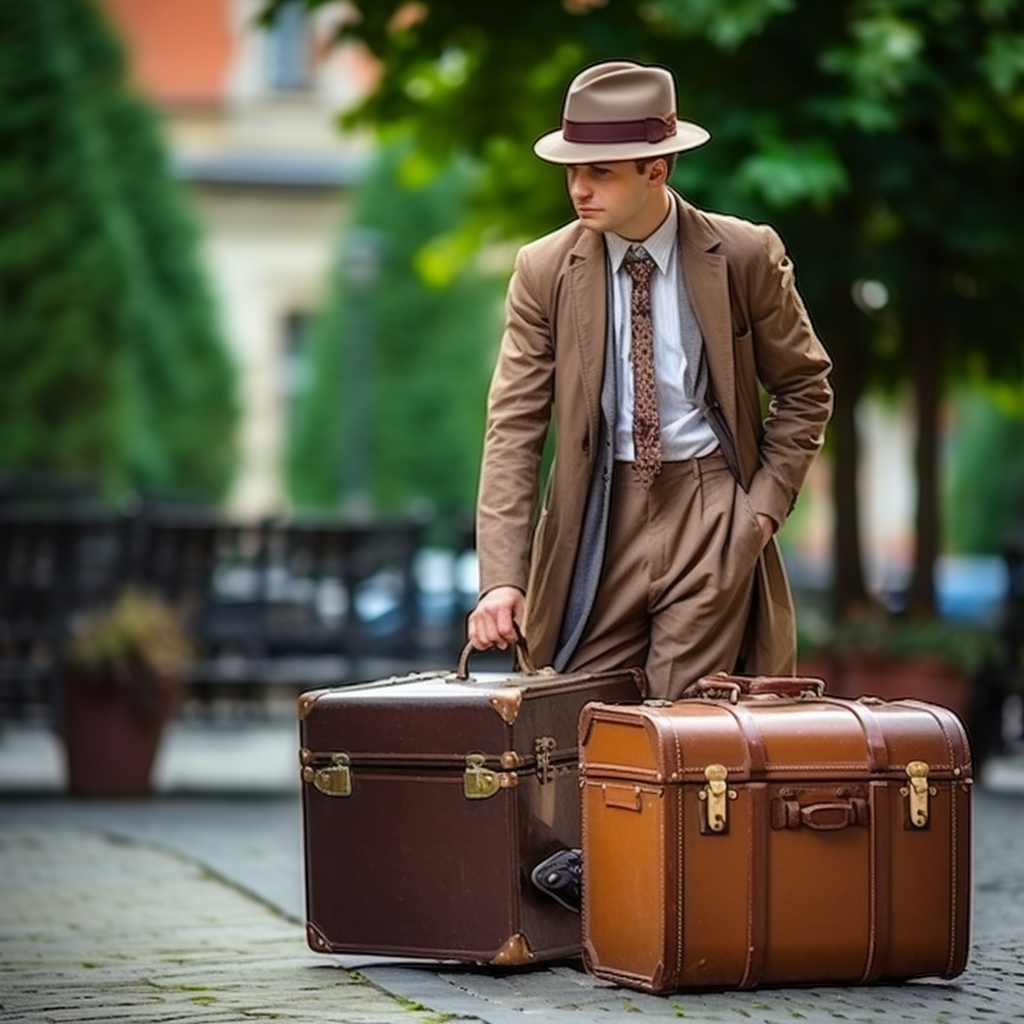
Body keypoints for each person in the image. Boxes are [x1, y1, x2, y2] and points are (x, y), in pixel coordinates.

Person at [466, 61, 833, 907]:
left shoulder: (743, 253)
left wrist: (758, 516)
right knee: (585, 708)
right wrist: (502, 575)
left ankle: (653, 909)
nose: (578, 188)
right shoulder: (543, 270)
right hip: (599, 514)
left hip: (712, 501)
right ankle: (607, 879)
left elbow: (807, 386)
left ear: (657, 168)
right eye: (571, 168)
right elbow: (514, 427)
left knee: (679, 711)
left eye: (599, 170)